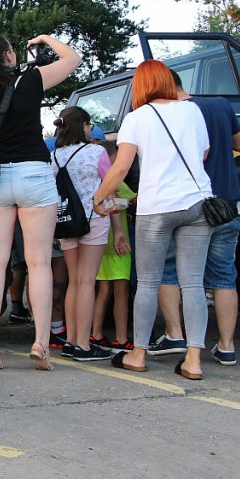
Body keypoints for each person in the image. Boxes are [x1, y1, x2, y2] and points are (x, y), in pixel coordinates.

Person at [0, 33, 82, 370]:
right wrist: (46, 39)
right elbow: (73, 60)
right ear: (10, 57)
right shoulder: (31, 80)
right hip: (34, 175)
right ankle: (41, 344)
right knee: (40, 262)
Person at [93, 60, 213, 379]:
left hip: (156, 205)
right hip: (197, 202)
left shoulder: (137, 118)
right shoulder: (192, 111)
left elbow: (120, 169)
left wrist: (98, 198)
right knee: (193, 283)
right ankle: (194, 360)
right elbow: (203, 154)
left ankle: (138, 354)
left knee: (147, 282)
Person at [154, 70, 240, 365]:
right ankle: (226, 345)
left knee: (169, 269)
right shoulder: (220, 104)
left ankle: (175, 334)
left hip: (188, 205)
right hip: (227, 202)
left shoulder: (170, 115)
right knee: (223, 276)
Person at [51, 107, 114, 361]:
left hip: (66, 222)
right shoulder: (97, 152)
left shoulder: (55, 156)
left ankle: (70, 341)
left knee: (74, 282)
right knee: (88, 282)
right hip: (93, 219)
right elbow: (110, 188)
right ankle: (83, 345)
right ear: (84, 126)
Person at [91, 141, 135, 353]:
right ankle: (121, 337)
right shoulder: (116, 181)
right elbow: (133, 201)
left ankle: (96, 333)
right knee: (121, 291)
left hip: (100, 240)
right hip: (120, 243)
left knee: (103, 290)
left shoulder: (96, 179)